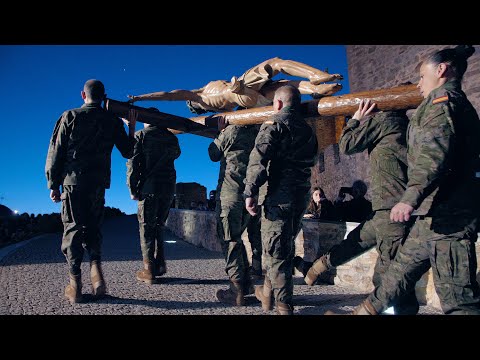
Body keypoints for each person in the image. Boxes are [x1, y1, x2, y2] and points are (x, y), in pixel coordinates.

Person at [326, 45, 480, 315]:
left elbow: (433, 157)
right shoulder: (436, 107)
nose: (419, 84)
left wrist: (409, 199)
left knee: (458, 300)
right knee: (395, 278)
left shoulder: (442, 105)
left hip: (451, 219)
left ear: (441, 70)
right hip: (431, 216)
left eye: (422, 76)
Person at [298, 101, 420, 315]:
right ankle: (316, 269)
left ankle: (390, 311)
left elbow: (346, 144)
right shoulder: (407, 126)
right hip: (385, 210)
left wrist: (355, 119)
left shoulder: (387, 120)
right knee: (356, 241)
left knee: (389, 276)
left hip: (392, 210)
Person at [45, 79, 136, 304]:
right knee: (93, 228)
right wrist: (131, 126)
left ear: (83, 95)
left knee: (73, 228)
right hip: (98, 184)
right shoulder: (112, 120)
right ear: (104, 96)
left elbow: (56, 152)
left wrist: (53, 184)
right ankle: (98, 278)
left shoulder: (69, 116)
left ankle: (75, 286)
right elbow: (128, 151)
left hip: (73, 183)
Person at [244, 85, 318, 315]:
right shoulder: (309, 132)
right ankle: (267, 295)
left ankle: (284, 306)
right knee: (282, 248)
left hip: (279, 198)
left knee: (276, 253)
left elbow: (258, 160)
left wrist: (250, 192)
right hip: (301, 198)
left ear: (277, 104)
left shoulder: (274, 125)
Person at [127, 57, 343, 114]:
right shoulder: (203, 100)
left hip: (246, 90)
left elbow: (168, 94)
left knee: (279, 70)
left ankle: (317, 83)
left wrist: (139, 98)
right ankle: (316, 84)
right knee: (283, 79)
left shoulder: (204, 92)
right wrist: (140, 98)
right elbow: (168, 95)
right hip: (241, 94)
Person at [208, 115, 262, 306]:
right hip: (249, 195)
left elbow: (213, 153)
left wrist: (220, 132)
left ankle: (236, 290)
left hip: (229, 195)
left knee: (229, 240)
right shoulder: (258, 135)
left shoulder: (231, 131)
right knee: (238, 238)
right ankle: (246, 283)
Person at [126, 108, 181, 285]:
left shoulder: (141, 136)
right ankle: (160, 263)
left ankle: (149, 269)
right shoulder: (171, 137)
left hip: (149, 187)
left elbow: (133, 162)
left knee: (146, 227)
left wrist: (132, 188)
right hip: (168, 188)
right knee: (159, 225)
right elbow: (177, 153)